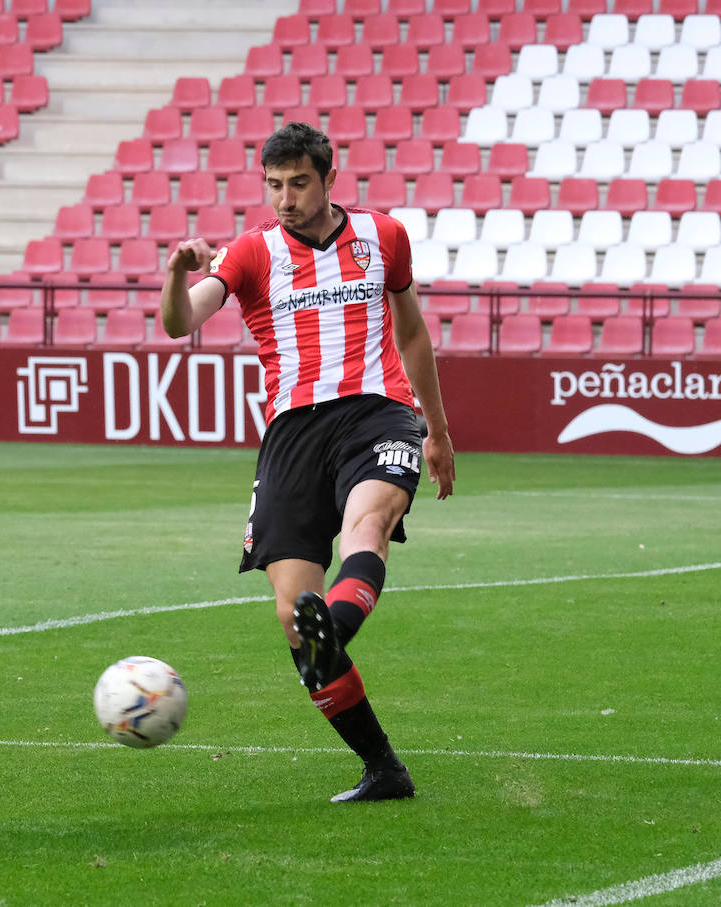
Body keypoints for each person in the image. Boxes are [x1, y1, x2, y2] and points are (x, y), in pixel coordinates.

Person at [160, 122, 455, 803]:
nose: (285, 198)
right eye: (274, 185)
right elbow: (181, 321)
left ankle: (338, 625)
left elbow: (411, 331)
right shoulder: (251, 253)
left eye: (298, 183)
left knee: (367, 526)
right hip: (292, 432)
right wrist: (178, 272)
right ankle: (384, 767)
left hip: (377, 410)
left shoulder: (384, 237)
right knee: (294, 616)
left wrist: (435, 431)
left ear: (328, 179)